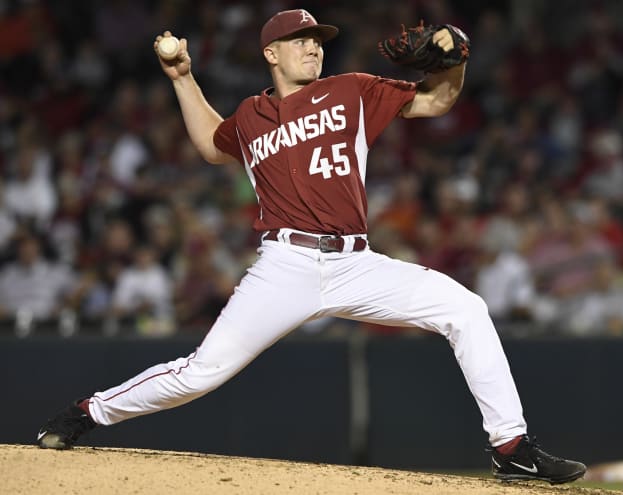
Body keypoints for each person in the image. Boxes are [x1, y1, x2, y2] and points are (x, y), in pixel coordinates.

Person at [37, 9, 586, 484]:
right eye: (301, 40)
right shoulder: (252, 116)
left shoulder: (352, 90)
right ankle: (88, 413)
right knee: (200, 373)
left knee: (465, 308)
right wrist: (182, 77)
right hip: (286, 264)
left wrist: (455, 57)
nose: (313, 47)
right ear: (270, 53)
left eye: (318, 40)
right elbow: (210, 144)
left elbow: (438, 101)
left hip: (356, 263)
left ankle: (511, 449)